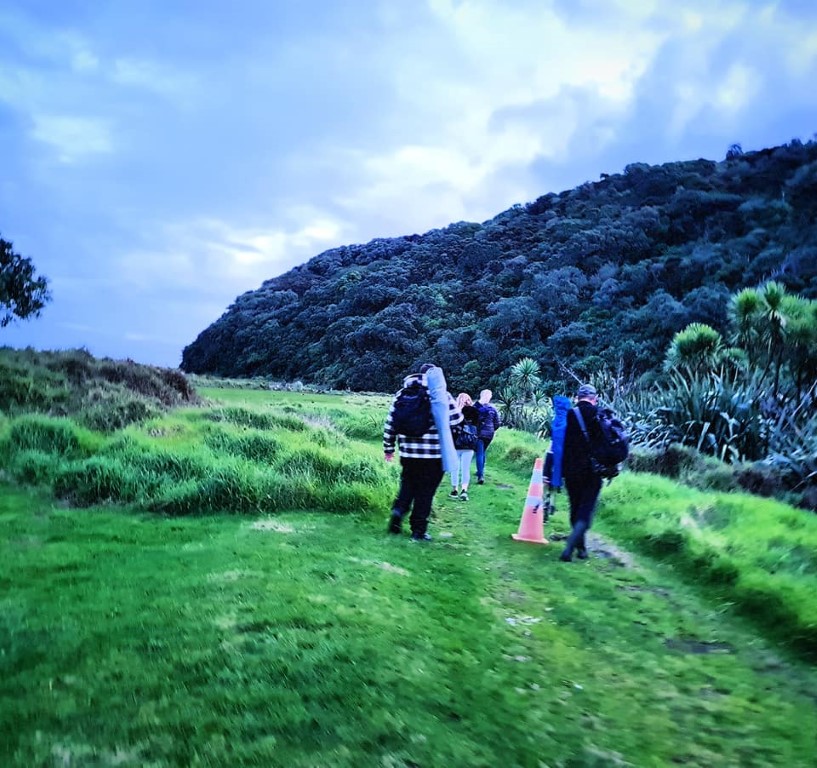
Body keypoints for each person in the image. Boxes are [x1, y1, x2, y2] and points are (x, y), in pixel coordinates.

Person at [384, 364, 463, 541]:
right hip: (433, 456)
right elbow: (457, 419)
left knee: (407, 486)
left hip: (408, 455)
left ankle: (398, 512)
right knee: (425, 493)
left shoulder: (402, 394)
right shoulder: (440, 394)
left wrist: (389, 449)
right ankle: (418, 531)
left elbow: (390, 424)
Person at [558, 383, 603, 562]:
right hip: (593, 470)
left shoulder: (569, 415)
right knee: (586, 509)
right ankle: (570, 547)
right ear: (594, 398)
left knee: (575, 506)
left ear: (577, 397)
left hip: (571, 470)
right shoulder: (599, 414)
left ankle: (581, 548)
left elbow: (560, 443)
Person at [449, 393, 479, 501]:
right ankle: (464, 490)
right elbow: (477, 426)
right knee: (465, 468)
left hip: (455, 444)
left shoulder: (454, 411)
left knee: (454, 468)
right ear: (469, 400)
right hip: (469, 444)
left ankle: (454, 490)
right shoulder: (474, 411)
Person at [474, 389, 501, 484]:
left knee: (479, 453)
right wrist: (492, 429)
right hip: (489, 433)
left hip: (479, 433)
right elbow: (497, 423)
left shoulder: (475, 407)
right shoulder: (492, 409)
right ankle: (480, 471)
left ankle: (480, 475)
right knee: (482, 452)